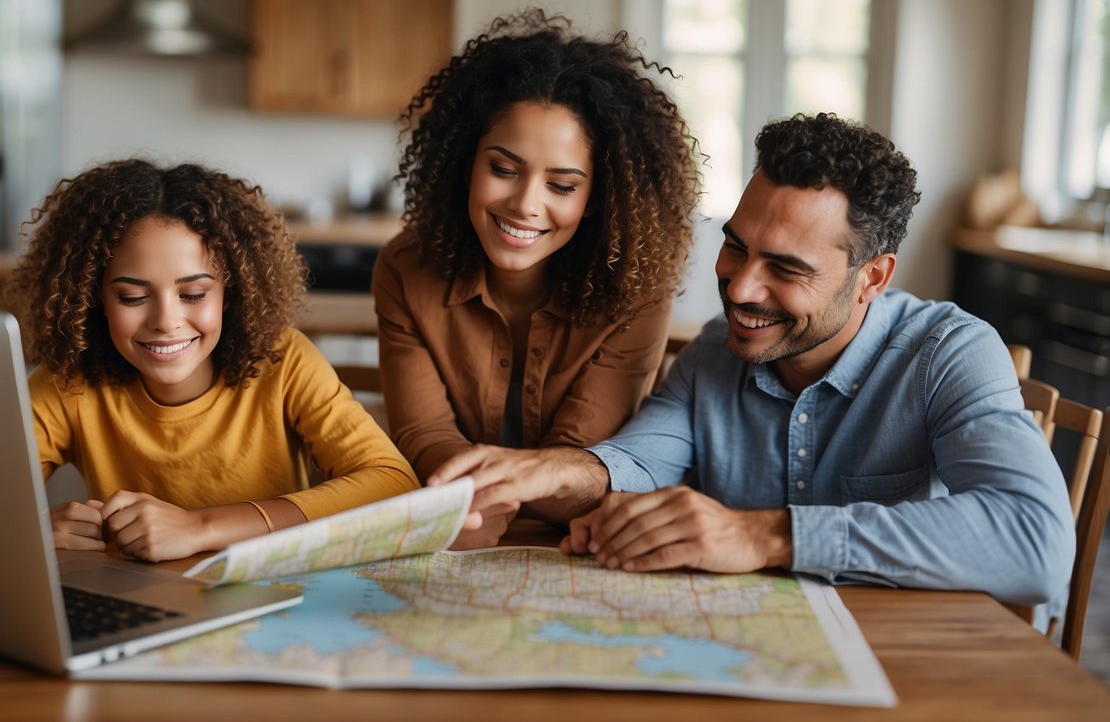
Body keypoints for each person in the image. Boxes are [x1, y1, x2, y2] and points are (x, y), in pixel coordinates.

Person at [430, 113, 1075, 606]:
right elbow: (637, 461)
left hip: (911, 668)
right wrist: (544, 472)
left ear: (873, 277)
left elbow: (1037, 545)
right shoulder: (719, 349)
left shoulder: (949, 354)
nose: (740, 289)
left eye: (785, 268)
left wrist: (764, 536)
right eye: (737, 247)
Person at [373, 10, 699, 546]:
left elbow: (581, 459)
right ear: (465, 163)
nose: (526, 205)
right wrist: (479, 495)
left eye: (562, 186)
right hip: (454, 531)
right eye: (503, 169)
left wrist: (492, 489)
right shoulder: (406, 268)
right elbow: (424, 433)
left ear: (598, 197)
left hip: (569, 543)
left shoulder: (635, 289)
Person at [8, 159, 419, 562]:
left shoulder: (283, 360)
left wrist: (200, 527)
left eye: (193, 295)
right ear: (94, 297)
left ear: (230, 293)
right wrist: (29, 528)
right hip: (141, 607)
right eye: (132, 297)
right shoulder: (69, 382)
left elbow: (394, 483)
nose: (166, 322)